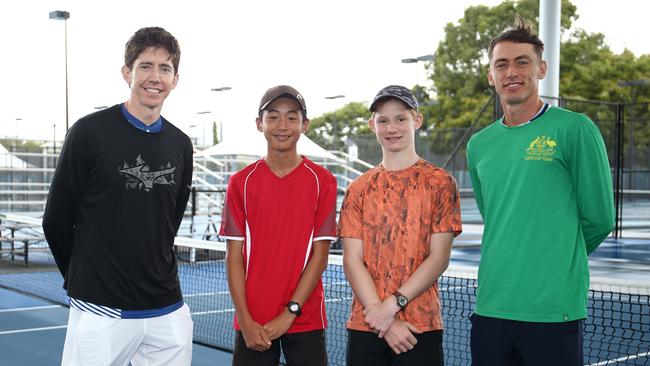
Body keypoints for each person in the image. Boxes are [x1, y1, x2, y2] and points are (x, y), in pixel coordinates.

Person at [466, 17, 615, 365]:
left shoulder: (576, 129)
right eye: (501, 64)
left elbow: (599, 218)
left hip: (552, 312)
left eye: (522, 62)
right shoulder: (479, 145)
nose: (511, 72)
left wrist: (556, 255)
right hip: (491, 307)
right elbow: (497, 216)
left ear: (541, 68)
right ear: (491, 75)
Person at [42, 27, 193, 365]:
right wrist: (87, 278)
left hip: (167, 310)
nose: (155, 77)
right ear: (128, 73)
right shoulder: (89, 133)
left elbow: (170, 220)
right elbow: (56, 220)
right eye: (145, 66)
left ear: (176, 79)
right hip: (100, 309)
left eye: (164, 68)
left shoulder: (181, 144)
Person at [338, 85, 462, 366]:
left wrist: (390, 307)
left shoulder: (441, 183)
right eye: (383, 120)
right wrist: (380, 317)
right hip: (366, 324)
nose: (391, 127)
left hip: (421, 327)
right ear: (373, 125)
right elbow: (352, 259)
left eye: (400, 119)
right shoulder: (358, 189)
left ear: (416, 120)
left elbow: (439, 257)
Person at [220, 85, 337, 366]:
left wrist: (290, 312)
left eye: (292, 117)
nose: (282, 125)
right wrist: (245, 320)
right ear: (259, 124)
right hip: (253, 324)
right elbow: (233, 256)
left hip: (305, 319)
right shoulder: (240, 182)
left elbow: (320, 255)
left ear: (304, 125)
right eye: (273, 117)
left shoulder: (324, 182)